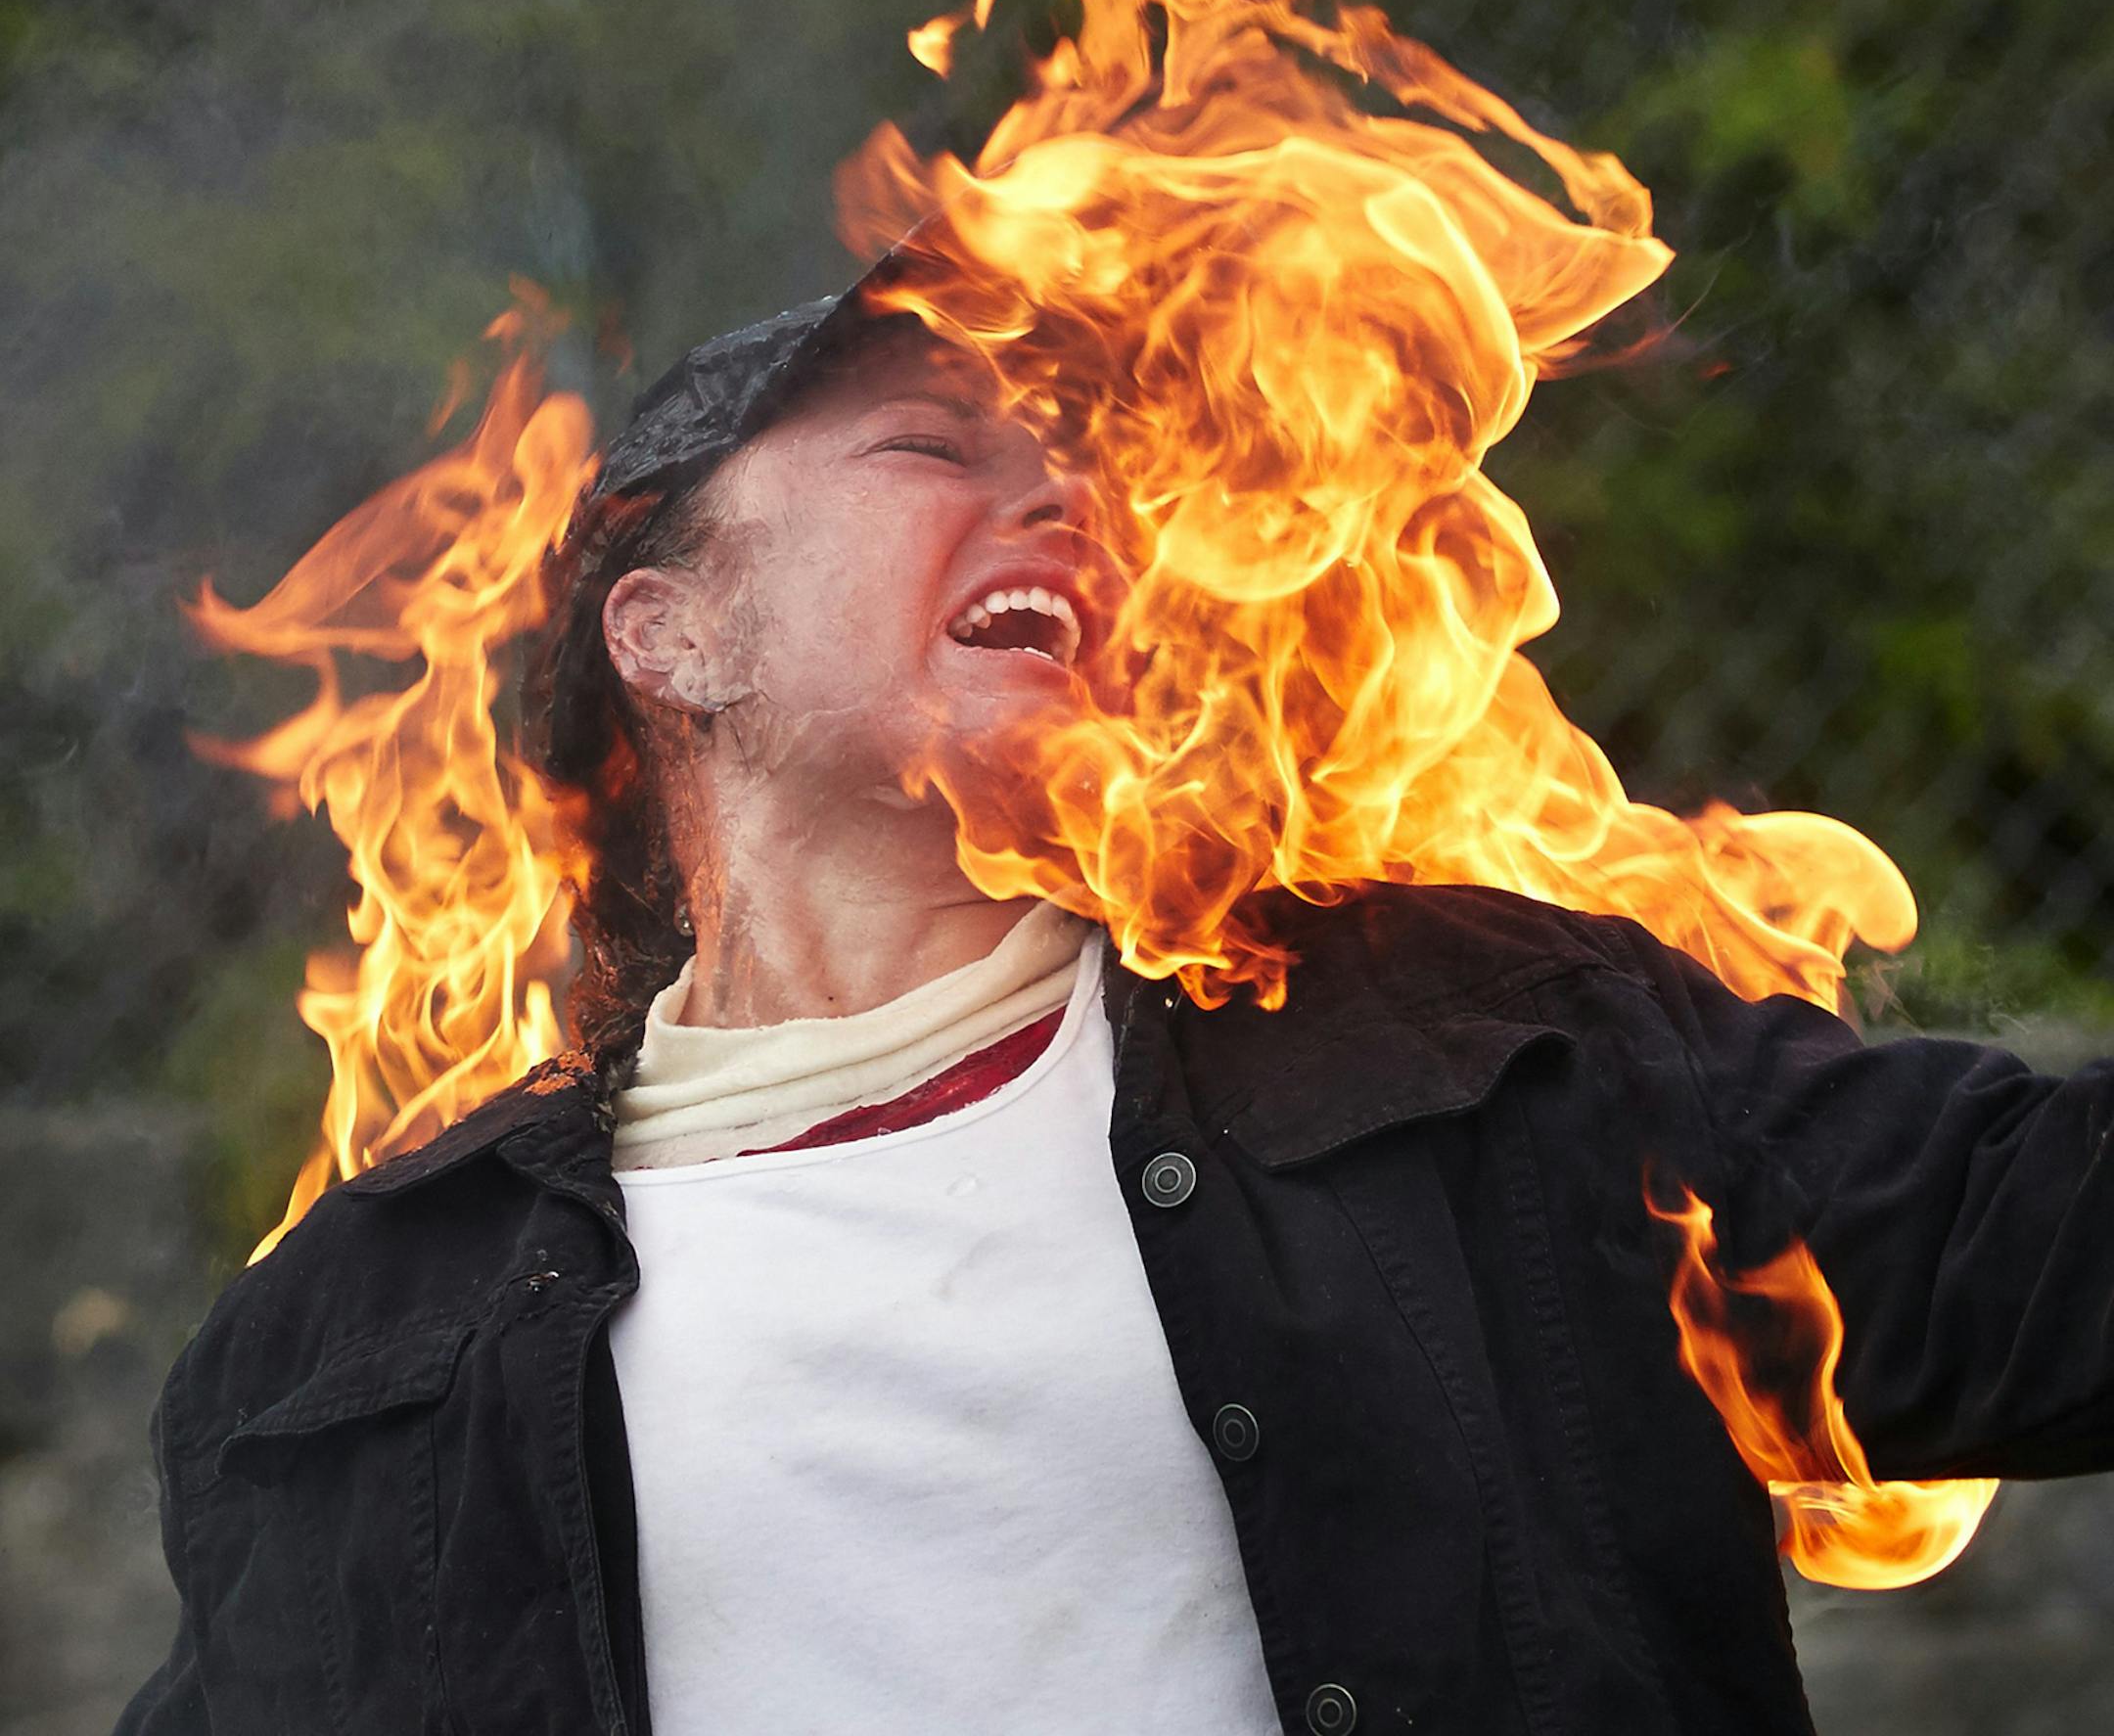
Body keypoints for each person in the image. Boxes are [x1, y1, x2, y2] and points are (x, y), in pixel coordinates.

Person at [116, 280, 2114, 1736]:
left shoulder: (1477, 1054)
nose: (1061, 501)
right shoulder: (361, 1328)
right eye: (932, 449)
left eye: (1073, 470)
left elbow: (2043, 1253)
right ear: (674, 630)